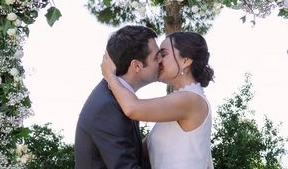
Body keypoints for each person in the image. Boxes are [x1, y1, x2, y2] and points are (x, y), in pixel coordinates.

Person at [101, 31, 214, 169]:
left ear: (186, 61)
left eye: (164, 54)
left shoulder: (191, 99)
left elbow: (132, 108)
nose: (159, 59)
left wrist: (110, 75)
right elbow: (140, 151)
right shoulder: (179, 103)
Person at [75, 25, 161, 168]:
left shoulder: (116, 97)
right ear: (137, 66)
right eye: (156, 57)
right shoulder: (107, 106)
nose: (161, 61)